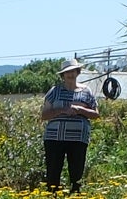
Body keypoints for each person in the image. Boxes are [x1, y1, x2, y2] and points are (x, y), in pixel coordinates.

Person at [40, 58, 98, 191]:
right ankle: (53, 198)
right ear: (63, 75)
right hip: (55, 138)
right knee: (53, 172)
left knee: (76, 172)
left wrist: (80, 110)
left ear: (78, 72)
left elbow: (95, 114)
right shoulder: (54, 91)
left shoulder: (86, 91)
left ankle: (76, 198)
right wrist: (61, 110)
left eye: (73, 71)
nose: (70, 74)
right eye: (67, 72)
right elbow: (44, 115)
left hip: (78, 139)